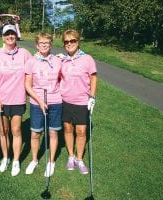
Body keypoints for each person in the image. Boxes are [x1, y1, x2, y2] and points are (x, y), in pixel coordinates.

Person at [0, 24, 32, 176]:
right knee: (3, 131)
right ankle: (5, 158)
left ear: (16, 35)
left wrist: (56, 58)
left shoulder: (25, 53)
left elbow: (35, 66)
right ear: (2, 36)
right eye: (7, 34)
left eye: (12, 33)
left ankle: (15, 161)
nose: (10, 36)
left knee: (16, 130)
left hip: (18, 99)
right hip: (0, 100)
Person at [59, 29, 97, 174]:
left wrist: (92, 97)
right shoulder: (62, 60)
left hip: (82, 101)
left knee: (81, 131)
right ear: (63, 44)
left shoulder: (87, 59)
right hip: (65, 100)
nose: (69, 44)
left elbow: (93, 78)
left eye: (72, 40)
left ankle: (79, 159)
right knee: (68, 129)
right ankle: (70, 156)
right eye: (66, 41)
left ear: (78, 41)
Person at [25, 32, 62, 177]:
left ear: (51, 45)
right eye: (41, 43)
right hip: (37, 102)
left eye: (47, 43)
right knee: (35, 133)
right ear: (37, 45)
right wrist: (40, 101)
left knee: (53, 132)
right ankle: (34, 160)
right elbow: (28, 85)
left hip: (55, 101)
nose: (44, 45)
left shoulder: (58, 61)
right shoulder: (31, 62)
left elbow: (66, 78)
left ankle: (51, 161)